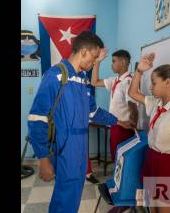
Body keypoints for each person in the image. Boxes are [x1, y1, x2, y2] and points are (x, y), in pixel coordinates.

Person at [28, 31, 135, 213]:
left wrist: (118, 121)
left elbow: (92, 112)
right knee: (65, 196)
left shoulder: (83, 80)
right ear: (83, 51)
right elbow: (37, 118)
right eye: (93, 58)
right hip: (64, 145)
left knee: (74, 193)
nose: (94, 63)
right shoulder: (55, 76)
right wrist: (43, 158)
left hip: (80, 146)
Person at [128, 53, 170, 213]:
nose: (150, 87)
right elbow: (132, 94)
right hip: (152, 160)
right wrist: (139, 71)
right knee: (152, 209)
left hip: (168, 166)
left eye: (153, 83)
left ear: (168, 83)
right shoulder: (156, 103)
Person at [91, 49, 138, 162]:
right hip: (115, 125)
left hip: (123, 128)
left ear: (122, 62)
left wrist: (132, 125)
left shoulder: (129, 82)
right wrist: (97, 62)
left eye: (113, 61)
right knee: (116, 158)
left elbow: (133, 106)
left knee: (122, 160)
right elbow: (94, 82)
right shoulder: (115, 80)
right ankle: (116, 179)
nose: (112, 64)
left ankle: (122, 180)